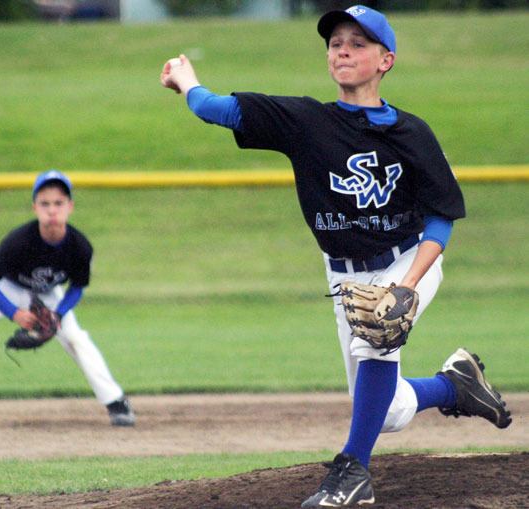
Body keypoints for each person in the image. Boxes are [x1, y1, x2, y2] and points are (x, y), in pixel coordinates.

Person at [160, 5, 511, 507]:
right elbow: (219, 109)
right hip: (344, 274)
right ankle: (454, 387)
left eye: (358, 42)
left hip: (408, 259)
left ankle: (352, 473)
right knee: (383, 411)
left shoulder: (412, 133)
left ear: (385, 60)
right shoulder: (306, 122)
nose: (342, 49)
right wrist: (187, 81)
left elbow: (440, 220)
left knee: (377, 336)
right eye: (335, 42)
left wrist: (406, 285)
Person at [0, 169, 135, 427]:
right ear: (35, 207)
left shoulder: (80, 246)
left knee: (76, 338)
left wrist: (58, 314)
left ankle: (115, 401)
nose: (52, 210)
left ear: (70, 207)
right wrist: (14, 313)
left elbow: (77, 288)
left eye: (58, 203)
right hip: (3, 289)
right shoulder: (18, 241)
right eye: (45, 203)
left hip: (47, 294)